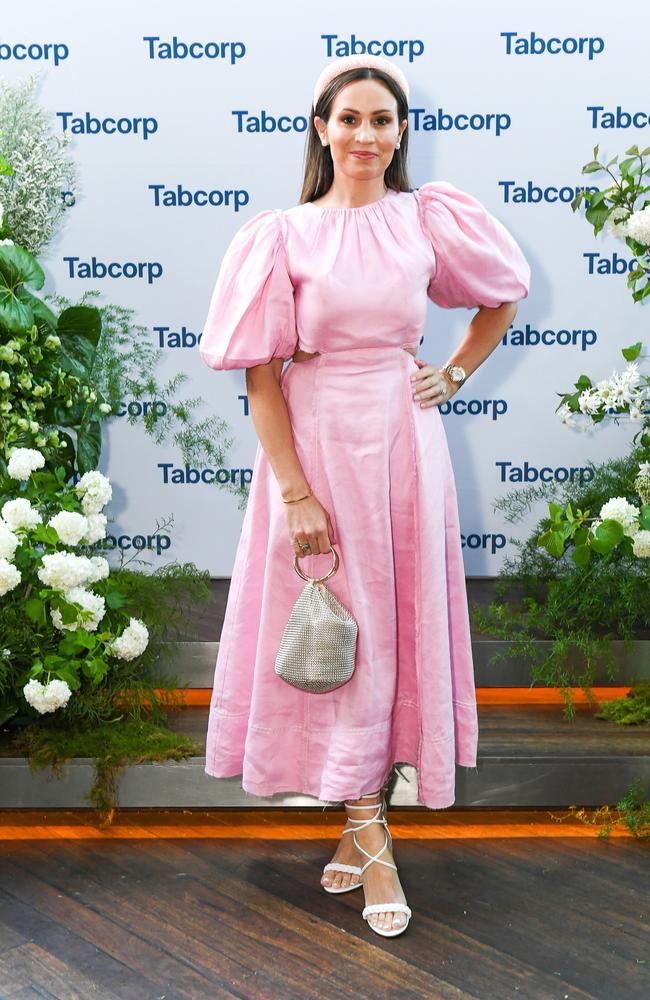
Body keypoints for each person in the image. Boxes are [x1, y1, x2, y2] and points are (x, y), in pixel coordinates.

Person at [199, 53, 531, 938]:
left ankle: (360, 822)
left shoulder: (426, 217)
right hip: (314, 454)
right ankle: (371, 833)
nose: (367, 136)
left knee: (394, 627)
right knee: (337, 628)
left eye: (383, 120)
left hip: (403, 448)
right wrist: (296, 492)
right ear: (321, 127)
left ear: (402, 131)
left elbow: (499, 298)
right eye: (350, 119)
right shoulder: (282, 234)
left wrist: (453, 374)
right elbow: (261, 380)